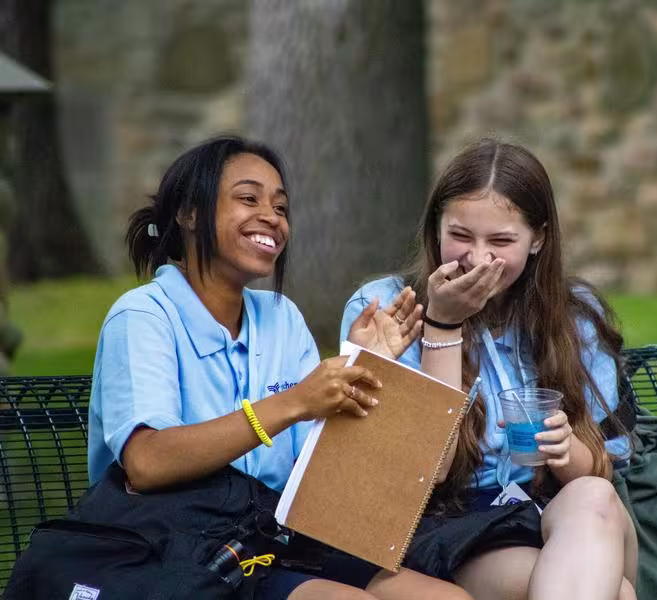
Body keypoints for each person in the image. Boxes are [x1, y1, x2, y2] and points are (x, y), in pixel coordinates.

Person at [87, 136, 473, 600]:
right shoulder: (145, 316)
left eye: (281, 206)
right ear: (189, 214)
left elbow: (318, 480)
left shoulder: (280, 316)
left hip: (272, 539)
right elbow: (147, 462)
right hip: (176, 551)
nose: (271, 217)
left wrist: (366, 366)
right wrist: (291, 403)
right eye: (248, 199)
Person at [340, 139, 639, 600]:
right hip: (447, 526)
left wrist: (565, 450)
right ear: (436, 225)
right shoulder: (386, 307)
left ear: (538, 238)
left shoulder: (574, 316)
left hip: (552, 510)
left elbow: (601, 473)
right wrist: (443, 322)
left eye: (501, 241)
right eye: (460, 236)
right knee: (614, 594)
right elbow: (425, 471)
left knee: (596, 499)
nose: (478, 258)